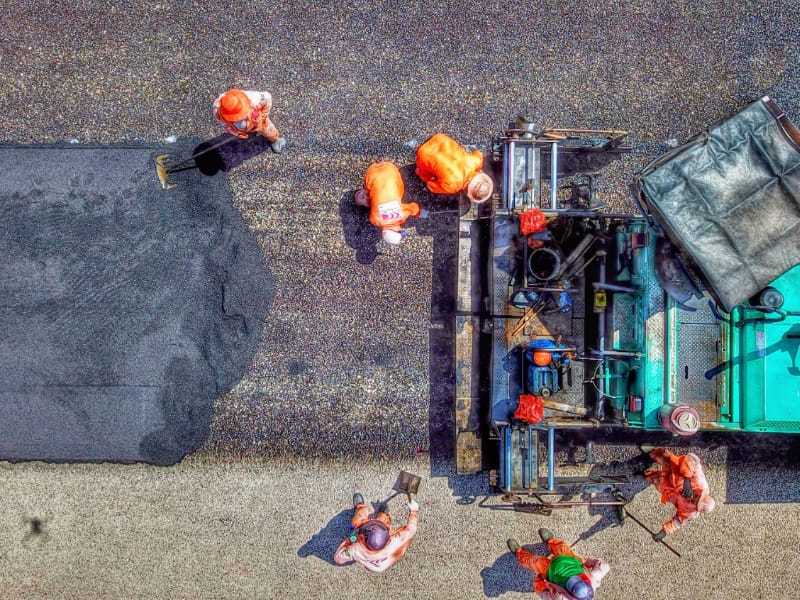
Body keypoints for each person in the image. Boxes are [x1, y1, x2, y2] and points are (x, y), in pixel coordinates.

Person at [507, 528, 609, 600]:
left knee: (533, 561)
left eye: (570, 583)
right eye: (578, 578)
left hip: (550, 572)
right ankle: (550, 541)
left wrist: (543, 587)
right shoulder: (595, 577)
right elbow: (604, 566)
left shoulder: (560, 598)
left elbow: (544, 595)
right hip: (569, 559)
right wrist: (589, 561)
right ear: (587, 582)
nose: (571, 578)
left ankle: (519, 552)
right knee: (561, 546)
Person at [640, 445, 715, 540]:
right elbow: (692, 457)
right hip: (676, 471)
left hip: (668, 488)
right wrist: (687, 478)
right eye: (697, 499)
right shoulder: (700, 482)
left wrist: (664, 532)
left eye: (696, 504)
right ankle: (653, 451)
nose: (693, 500)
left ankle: (644, 473)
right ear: (702, 494)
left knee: (654, 479)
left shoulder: (690, 512)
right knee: (664, 458)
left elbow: (678, 521)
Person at [333, 492, 419, 573]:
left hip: (360, 534)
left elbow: (338, 558)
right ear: (388, 539)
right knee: (384, 520)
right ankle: (383, 513)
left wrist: (351, 539)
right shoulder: (394, 543)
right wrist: (414, 511)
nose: (372, 522)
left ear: (365, 540)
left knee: (356, 521)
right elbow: (411, 530)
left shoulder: (356, 550)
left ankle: (360, 507)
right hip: (376, 560)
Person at [355, 161, 421, 244]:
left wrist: (423, 214)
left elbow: (414, 208)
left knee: (399, 192)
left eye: (400, 232)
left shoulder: (401, 215)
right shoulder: (375, 220)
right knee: (372, 203)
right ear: (383, 232)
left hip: (391, 170)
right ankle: (360, 194)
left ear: (398, 230)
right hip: (371, 173)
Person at [415, 133, 493, 203]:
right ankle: (419, 169)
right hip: (423, 153)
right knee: (428, 177)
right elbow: (431, 186)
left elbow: (479, 154)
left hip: (439, 138)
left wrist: (478, 169)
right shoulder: (453, 187)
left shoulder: (476, 162)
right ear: (468, 191)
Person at [213, 88, 286, 153]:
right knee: (247, 130)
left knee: (268, 129)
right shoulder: (218, 112)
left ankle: (275, 140)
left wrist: (264, 116)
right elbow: (226, 125)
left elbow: (268, 97)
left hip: (258, 119)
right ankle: (251, 131)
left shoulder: (255, 99)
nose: (239, 118)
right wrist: (237, 133)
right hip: (242, 128)